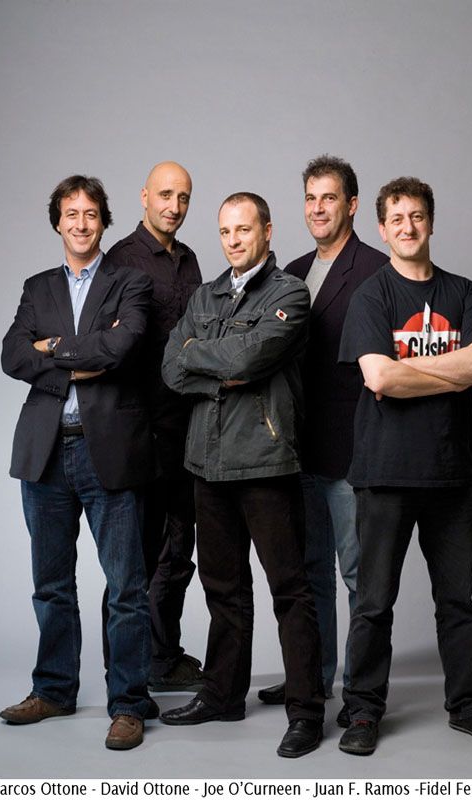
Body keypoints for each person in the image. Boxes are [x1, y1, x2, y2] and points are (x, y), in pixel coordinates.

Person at [337, 176, 472, 755]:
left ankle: (468, 706)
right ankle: (363, 712)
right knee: (373, 604)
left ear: (431, 223)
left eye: (417, 216)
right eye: (397, 219)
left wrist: (411, 370)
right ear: (382, 229)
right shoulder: (371, 295)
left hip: (452, 475)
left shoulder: (463, 291)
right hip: (385, 473)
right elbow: (379, 376)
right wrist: (450, 370)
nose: (408, 227)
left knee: (458, 604)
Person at [160, 192, 325, 758]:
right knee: (222, 589)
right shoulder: (204, 295)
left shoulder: (289, 293)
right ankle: (223, 694)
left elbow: (250, 358)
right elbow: (170, 367)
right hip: (206, 463)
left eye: (243, 230)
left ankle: (306, 711)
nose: (233, 240)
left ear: (267, 231)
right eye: (225, 231)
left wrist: (205, 354)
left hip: (265, 461)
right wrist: (218, 366)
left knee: (289, 590)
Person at [0, 175, 157, 751]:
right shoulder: (37, 287)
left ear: (103, 221)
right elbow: (10, 355)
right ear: (58, 222)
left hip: (107, 448)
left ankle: (129, 703)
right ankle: (54, 689)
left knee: (126, 587)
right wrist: (79, 355)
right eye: (72, 214)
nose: (82, 223)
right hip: (44, 452)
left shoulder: (129, 282)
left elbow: (120, 347)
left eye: (91, 213)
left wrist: (49, 348)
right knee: (51, 585)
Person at [258, 155, 387, 725]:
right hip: (296, 450)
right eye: (310, 198)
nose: (317, 208)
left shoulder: (376, 270)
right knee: (310, 575)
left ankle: (361, 693)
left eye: (328, 198)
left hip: (353, 450)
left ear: (351, 205)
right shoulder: (293, 269)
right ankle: (312, 677)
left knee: (358, 576)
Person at [106, 161, 203, 692]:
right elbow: (111, 347)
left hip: (187, 429)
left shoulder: (189, 260)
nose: (174, 206)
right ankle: (125, 670)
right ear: (144, 196)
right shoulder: (121, 260)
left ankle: (163, 657)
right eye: (165, 195)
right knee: (136, 558)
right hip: (139, 432)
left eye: (183, 197)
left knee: (178, 553)